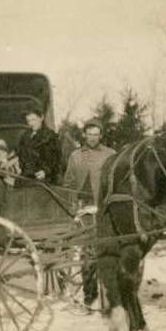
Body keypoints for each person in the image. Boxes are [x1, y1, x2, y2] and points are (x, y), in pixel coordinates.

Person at [62, 120, 116, 310]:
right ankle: (89, 295)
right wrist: (74, 206)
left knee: (107, 250)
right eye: (89, 133)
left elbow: (117, 182)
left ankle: (112, 295)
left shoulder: (110, 154)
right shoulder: (75, 156)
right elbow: (68, 182)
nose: (93, 137)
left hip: (104, 209)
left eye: (96, 134)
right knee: (87, 254)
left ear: (101, 135)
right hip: (84, 210)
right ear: (84, 135)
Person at [16, 108, 62, 185]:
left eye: (33, 120)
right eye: (28, 121)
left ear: (41, 118)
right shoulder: (24, 137)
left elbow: (56, 158)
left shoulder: (50, 136)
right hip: (27, 176)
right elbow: (21, 156)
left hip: (45, 178)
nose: (31, 123)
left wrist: (46, 171)